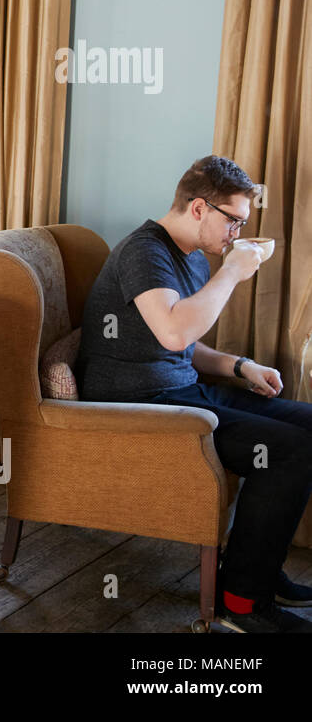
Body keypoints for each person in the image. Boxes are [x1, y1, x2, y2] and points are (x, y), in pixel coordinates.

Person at [76, 154, 312, 633]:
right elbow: (172, 334)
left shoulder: (191, 256)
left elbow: (185, 342)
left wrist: (240, 367)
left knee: (308, 424)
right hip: (140, 406)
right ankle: (241, 603)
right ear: (200, 208)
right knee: (290, 452)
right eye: (234, 221)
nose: (237, 233)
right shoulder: (145, 251)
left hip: (181, 388)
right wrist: (232, 273)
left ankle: (259, 572)